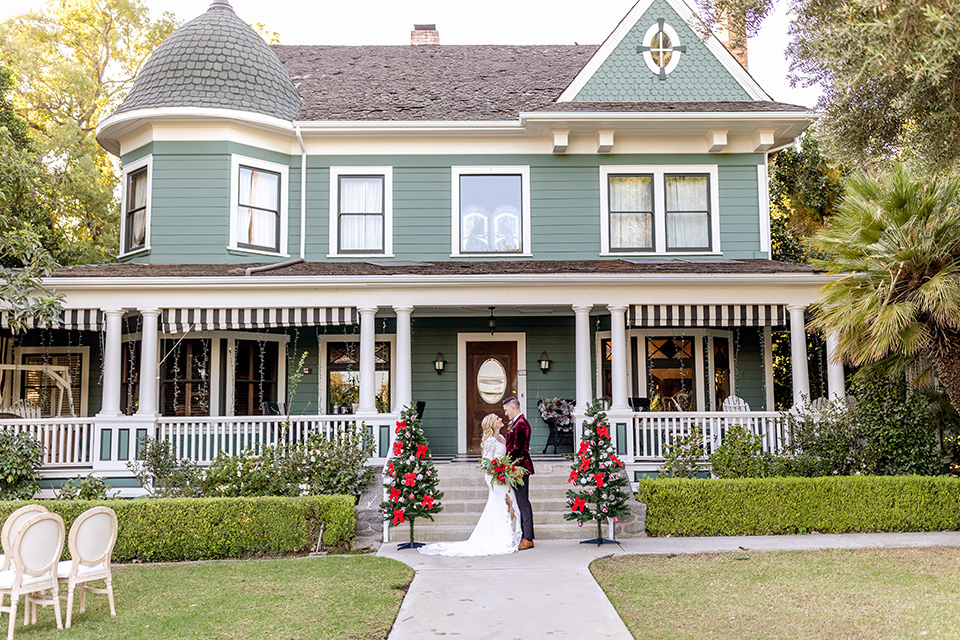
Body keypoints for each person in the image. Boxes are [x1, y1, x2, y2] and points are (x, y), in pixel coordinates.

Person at [419, 414, 521, 557]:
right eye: (497, 418)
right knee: (504, 503)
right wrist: (497, 473)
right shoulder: (490, 441)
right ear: (492, 424)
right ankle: (501, 537)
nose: (500, 419)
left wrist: (507, 470)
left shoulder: (502, 438)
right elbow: (486, 462)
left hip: (504, 475)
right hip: (494, 477)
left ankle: (507, 534)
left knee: (510, 503)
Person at [503, 396, 535, 549]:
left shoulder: (521, 424)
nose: (505, 413)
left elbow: (518, 449)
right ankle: (525, 535)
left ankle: (528, 538)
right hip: (516, 468)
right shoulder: (516, 423)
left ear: (513, 407)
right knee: (521, 502)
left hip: (520, 468)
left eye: (506, 410)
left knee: (523, 503)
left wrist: (506, 462)